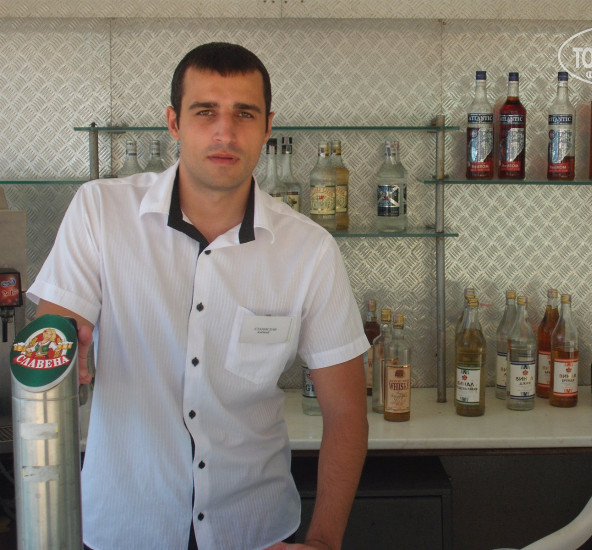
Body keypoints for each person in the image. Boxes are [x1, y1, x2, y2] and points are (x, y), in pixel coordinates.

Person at [28, 42, 369, 550]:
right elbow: (53, 335)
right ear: (174, 122)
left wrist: (323, 541)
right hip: (125, 527)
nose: (225, 133)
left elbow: (346, 412)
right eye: (205, 111)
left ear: (268, 126)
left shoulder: (309, 250)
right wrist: (64, 349)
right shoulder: (100, 211)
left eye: (244, 114)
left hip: (255, 530)